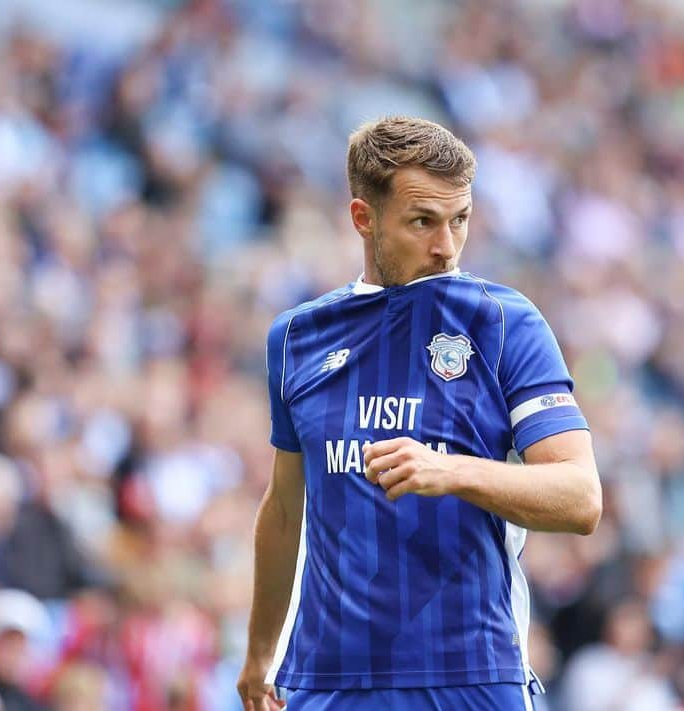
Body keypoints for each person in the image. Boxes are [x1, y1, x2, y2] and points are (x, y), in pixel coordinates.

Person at [235, 116, 602, 711]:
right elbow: (282, 509)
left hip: (470, 676)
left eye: (460, 220)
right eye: (422, 222)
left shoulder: (505, 322)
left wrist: (451, 471)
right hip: (328, 682)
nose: (447, 247)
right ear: (364, 218)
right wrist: (259, 654)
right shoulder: (296, 338)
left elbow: (581, 497)